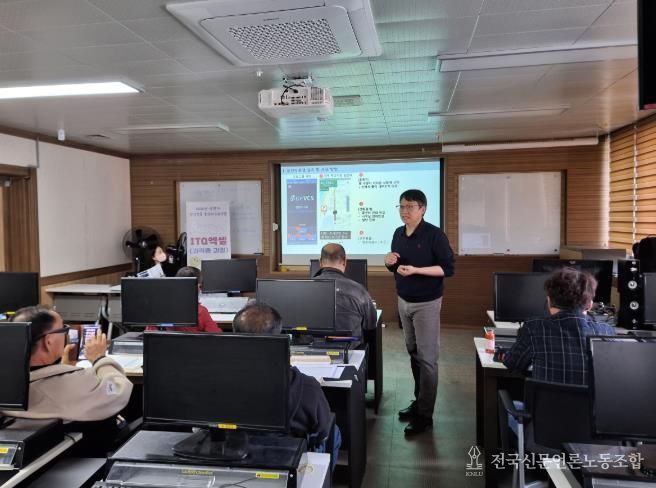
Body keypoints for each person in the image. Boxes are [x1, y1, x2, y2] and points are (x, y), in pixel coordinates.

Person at [384, 189, 455, 435]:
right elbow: (396, 266)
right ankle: (419, 401)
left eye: (410, 207)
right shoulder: (398, 233)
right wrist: (389, 261)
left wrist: (416, 270)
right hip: (403, 300)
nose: (405, 211)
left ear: (422, 209)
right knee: (413, 353)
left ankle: (426, 415)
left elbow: (447, 269)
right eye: (401, 206)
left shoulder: (435, 235)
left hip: (427, 303)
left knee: (428, 359)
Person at [232, 303, 339, 462]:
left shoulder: (218, 381)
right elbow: (322, 431)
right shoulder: (306, 386)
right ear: (280, 338)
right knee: (334, 432)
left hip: (233, 455)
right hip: (287, 460)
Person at [2, 305, 133, 422]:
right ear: (49, 342)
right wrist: (99, 359)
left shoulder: (7, 385)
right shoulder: (77, 382)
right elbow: (120, 391)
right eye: (63, 329)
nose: (66, 334)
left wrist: (60, 369)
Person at [503, 267, 615, 384]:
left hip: (546, 396)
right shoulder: (607, 332)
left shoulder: (534, 328)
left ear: (549, 301)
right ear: (590, 305)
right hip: (594, 397)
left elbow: (512, 364)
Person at [312, 243, 377, 346]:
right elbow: (370, 325)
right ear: (345, 262)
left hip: (310, 350)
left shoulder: (304, 289)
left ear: (320, 262)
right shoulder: (358, 290)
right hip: (351, 351)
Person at [146, 266, 223, 333]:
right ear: (198, 287)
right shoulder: (201, 312)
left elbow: (150, 333)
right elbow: (216, 335)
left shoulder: (160, 309)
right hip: (194, 345)